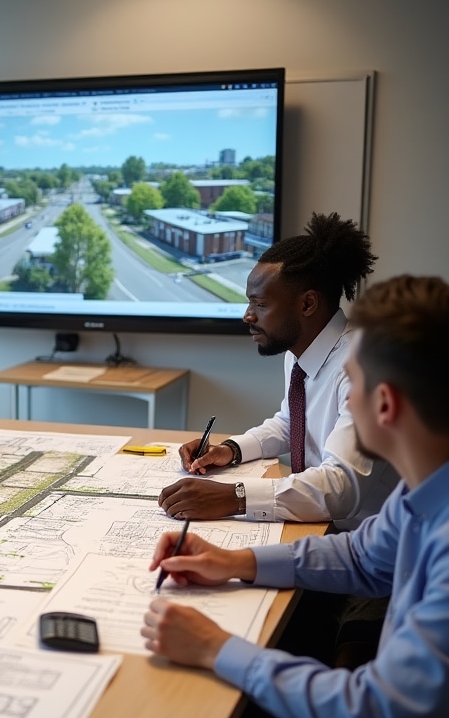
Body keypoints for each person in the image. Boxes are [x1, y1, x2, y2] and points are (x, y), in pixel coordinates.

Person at [140, 275, 449, 718]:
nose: (344, 399)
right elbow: (361, 556)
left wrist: (218, 648)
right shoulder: (425, 490)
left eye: (352, 384)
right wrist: (235, 561)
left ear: (384, 405)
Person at [158, 212, 396, 530]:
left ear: (307, 304)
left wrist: (233, 497)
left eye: (260, 305)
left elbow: (341, 488)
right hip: (321, 527)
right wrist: (230, 450)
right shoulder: (300, 351)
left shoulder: (365, 368)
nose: (248, 316)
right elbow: (291, 423)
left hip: (370, 543)